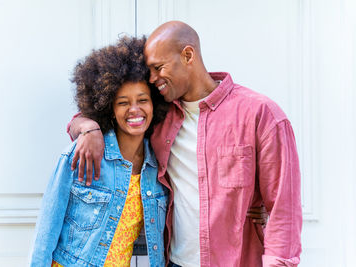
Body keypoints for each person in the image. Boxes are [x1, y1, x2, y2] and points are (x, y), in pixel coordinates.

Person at [68, 21, 302, 267]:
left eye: (158, 68)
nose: (153, 78)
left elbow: (283, 209)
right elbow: (103, 116)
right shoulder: (159, 117)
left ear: (188, 55)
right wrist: (88, 127)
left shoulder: (260, 114)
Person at [30, 36, 170, 267]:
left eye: (143, 100)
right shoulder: (81, 154)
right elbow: (45, 233)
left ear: (154, 104)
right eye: (123, 102)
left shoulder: (157, 168)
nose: (134, 110)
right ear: (110, 108)